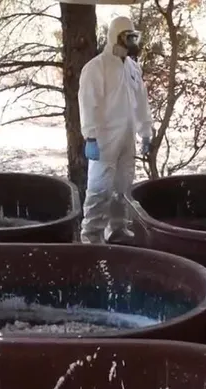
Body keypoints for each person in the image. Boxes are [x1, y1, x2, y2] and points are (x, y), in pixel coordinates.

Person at [78, 16, 154, 244]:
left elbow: (141, 101)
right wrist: (90, 136)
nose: (131, 42)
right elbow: (88, 102)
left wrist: (145, 130)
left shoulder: (132, 68)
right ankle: (91, 234)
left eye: (133, 36)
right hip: (104, 138)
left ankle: (117, 229)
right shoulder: (96, 67)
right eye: (127, 37)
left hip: (127, 137)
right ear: (115, 37)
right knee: (99, 188)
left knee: (123, 186)